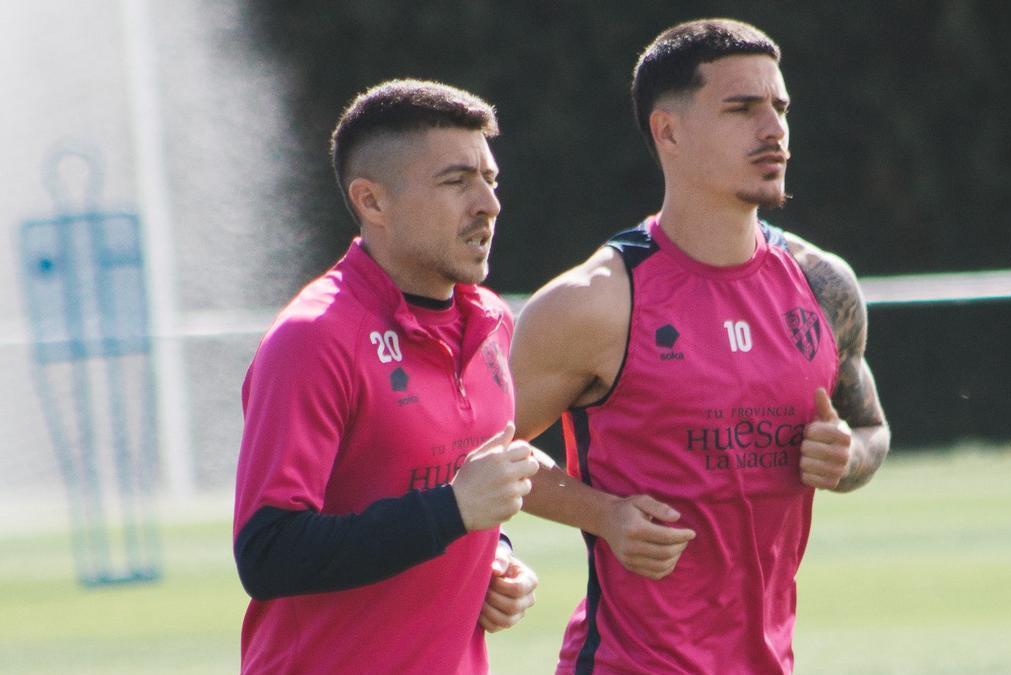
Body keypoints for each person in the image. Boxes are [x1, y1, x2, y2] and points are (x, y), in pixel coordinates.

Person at [510, 19, 891, 674]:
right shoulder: (595, 302)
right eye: (742, 109)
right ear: (669, 131)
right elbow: (468, 446)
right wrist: (604, 514)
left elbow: (871, 429)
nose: (773, 130)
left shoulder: (824, 286)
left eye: (780, 108)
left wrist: (848, 455)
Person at [233, 79, 541, 674]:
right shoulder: (314, 337)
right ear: (373, 201)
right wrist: (453, 512)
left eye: (490, 180)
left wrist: (494, 556)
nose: (488, 204)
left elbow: (463, 495)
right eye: (456, 181)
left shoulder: (492, 322)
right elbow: (267, 553)